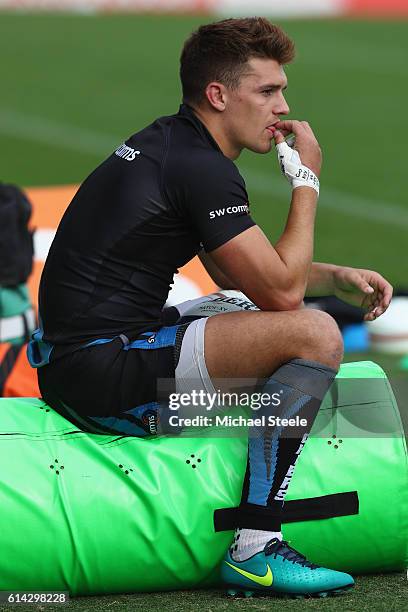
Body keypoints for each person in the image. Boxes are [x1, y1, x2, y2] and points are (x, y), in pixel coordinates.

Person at [28, 17, 392, 598]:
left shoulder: (175, 144)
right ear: (219, 96)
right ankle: (256, 545)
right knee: (316, 333)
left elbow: (237, 274)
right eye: (268, 91)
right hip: (101, 376)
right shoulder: (201, 169)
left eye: (283, 90)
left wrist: (335, 277)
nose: (283, 106)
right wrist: (307, 183)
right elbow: (283, 296)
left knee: (240, 303)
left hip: (81, 361)